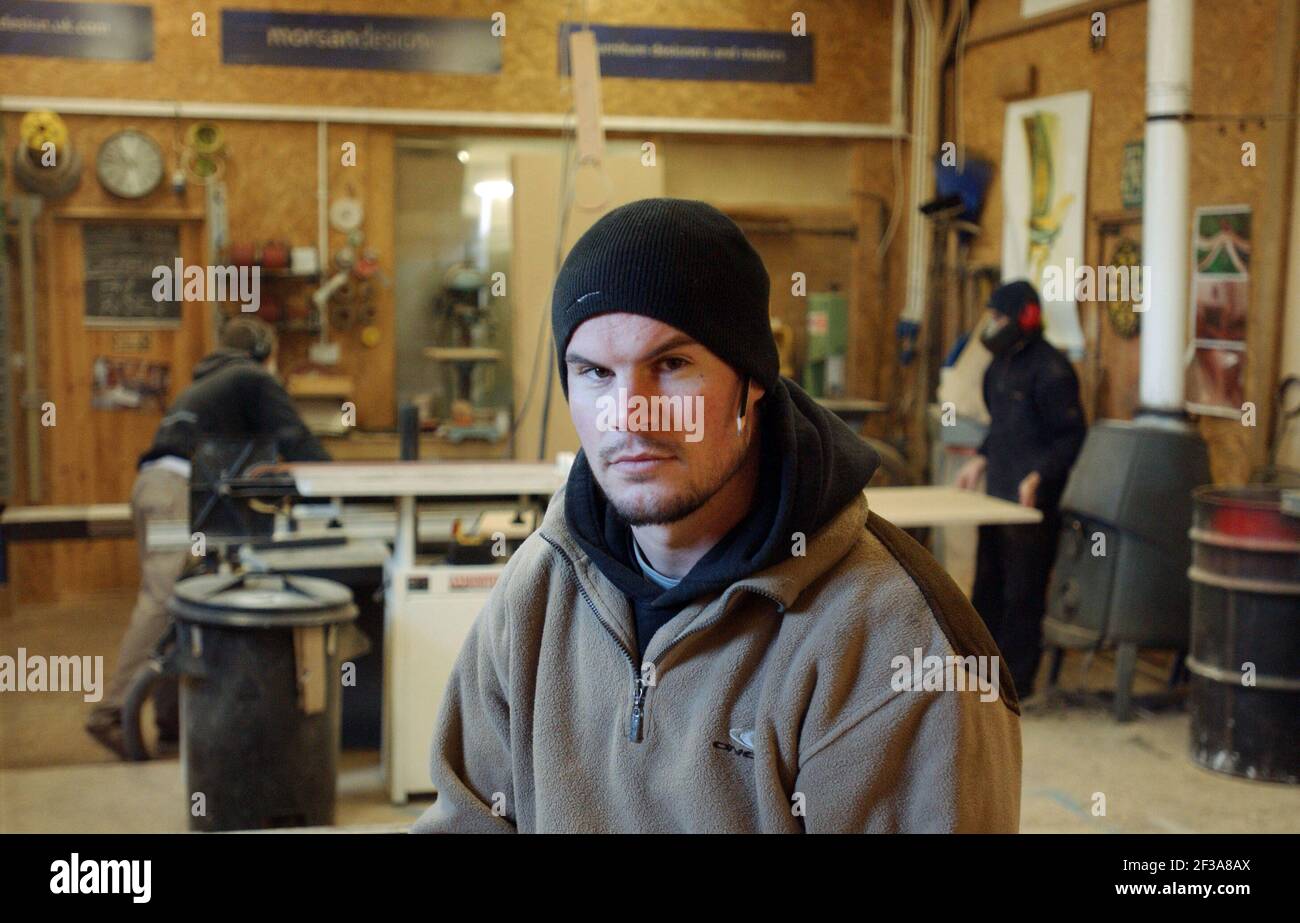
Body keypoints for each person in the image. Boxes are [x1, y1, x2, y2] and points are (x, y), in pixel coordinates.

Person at [413, 198, 1021, 833]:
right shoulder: (540, 588)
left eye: (671, 365)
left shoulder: (895, 644)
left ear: (752, 379)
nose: (632, 415)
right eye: (594, 373)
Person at [86, 316, 330, 759]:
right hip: (175, 494)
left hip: (159, 489)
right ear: (264, 353)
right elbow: (295, 439)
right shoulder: (251, 378)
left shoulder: (208, 384)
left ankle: (170, 721)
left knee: (180, 599)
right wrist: (334, 490)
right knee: (162, 598)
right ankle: (111, 711)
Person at [955, 280, 1087, 700]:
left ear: (1025, 318)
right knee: (988, 586)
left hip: (1032, 504)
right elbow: (1003, 426)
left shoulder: (1052, 370)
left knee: (1022, 594)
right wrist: (981, 458)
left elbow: (1070, 437)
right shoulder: (999, 368)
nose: (991, 326)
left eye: (998, 318)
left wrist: (1039, 476)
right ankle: (979, 674)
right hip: (998, 498)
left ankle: (1016, 684)